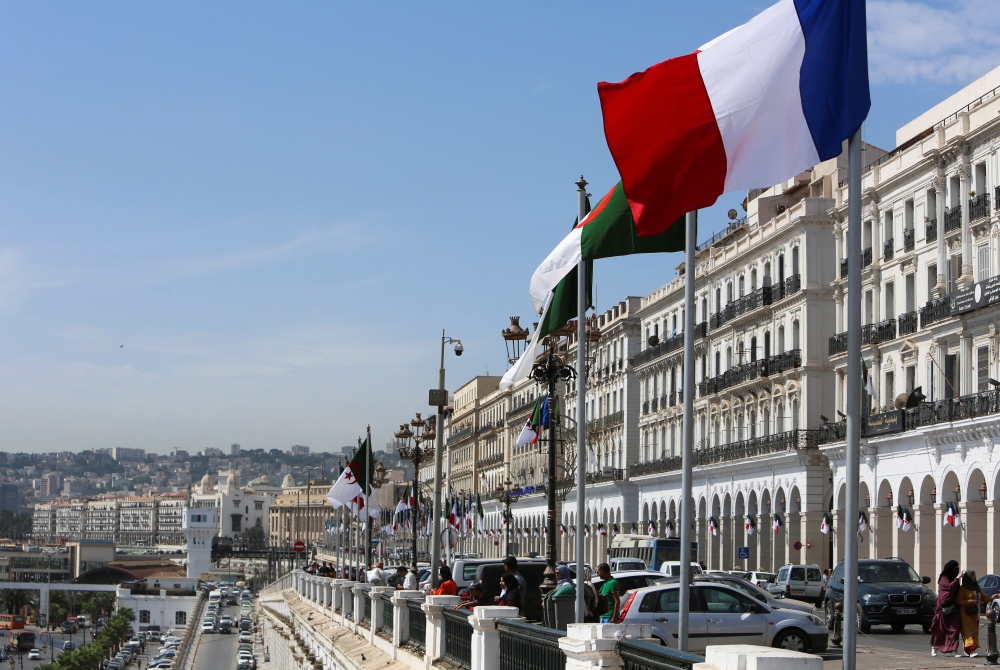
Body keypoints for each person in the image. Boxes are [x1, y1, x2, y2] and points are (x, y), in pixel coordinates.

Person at [958, 570, 995, 657]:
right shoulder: (963, 588)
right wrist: (971, 601)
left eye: (975, 575)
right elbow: (959, 601)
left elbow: (984, 598)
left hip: (975, 613)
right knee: (968, 632)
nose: (974, 577)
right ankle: (971, 650)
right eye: (972, 575)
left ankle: (968, 650)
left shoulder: (976, 587)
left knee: (974, 631)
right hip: (965, 613)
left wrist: (993, 597)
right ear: (968, 577)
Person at [930, 560, 963, 657]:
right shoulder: (944, 577)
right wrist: (957, 578)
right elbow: (949, 588)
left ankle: (953, 650)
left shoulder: (954, 578)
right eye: (956, 567)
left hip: (953, 607)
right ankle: (934, 648)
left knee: (955, 628)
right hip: (943, 607)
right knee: (939, 629)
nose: (957, 569)